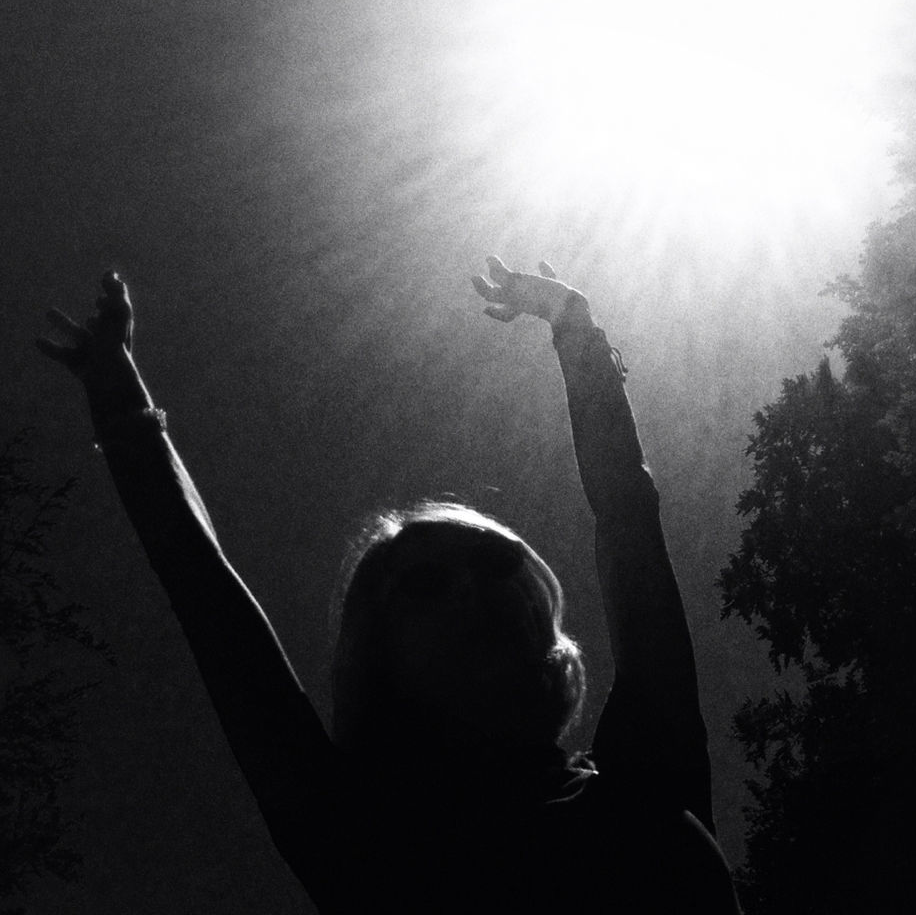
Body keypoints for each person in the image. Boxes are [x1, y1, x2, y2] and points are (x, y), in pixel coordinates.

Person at [38, 257, 741, 913]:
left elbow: (627, 510)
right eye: (427, 584)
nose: (473, 590)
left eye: (497, 563)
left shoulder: (646, 775)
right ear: (378, 654)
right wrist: (124, 412)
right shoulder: (363, 840)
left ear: (541, 612)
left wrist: (577, 331)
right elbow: (207, 597)